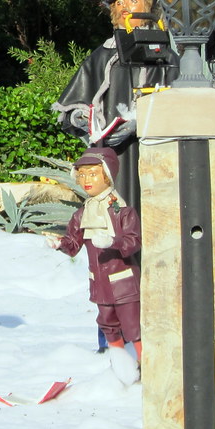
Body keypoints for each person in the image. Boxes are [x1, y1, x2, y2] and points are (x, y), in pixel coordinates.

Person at [52, 0, 176, 219]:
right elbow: (72, 108)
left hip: (160, 154)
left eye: (132, 0)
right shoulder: (102, 56)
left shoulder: (167, 54)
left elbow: (181, 102)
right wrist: (86, 119)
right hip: (114, 157)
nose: (125, 9)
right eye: (119, 3)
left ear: (147, 5)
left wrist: (141, 123)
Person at [51, 147, 142, 381]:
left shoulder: (122, 212)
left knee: (133, 325)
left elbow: (134, 241)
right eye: (82, 175)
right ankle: (119, 365)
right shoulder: (82, 215)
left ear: (107, 176)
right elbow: (74, 244)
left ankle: (145, 365)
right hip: (100, 283)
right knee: (107, 322)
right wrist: (60, 243)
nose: (86, 180)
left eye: (92, 174)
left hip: (124, 282)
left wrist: (113, 240)